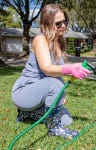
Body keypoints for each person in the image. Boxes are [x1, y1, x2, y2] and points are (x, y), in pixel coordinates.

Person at [11, 4, 90, 139]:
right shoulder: (39, 40)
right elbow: (47, 69)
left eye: (65, 21)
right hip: (24, 92)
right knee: (54, 85)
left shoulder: (59, 42)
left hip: (39, 94)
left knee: (67, 120)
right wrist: (69, 69)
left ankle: (27, 113)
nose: (63, 26)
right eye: (58, 23)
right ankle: (54, 129)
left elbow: (56, 72)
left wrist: (59, 95)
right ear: (47, 24)